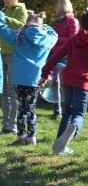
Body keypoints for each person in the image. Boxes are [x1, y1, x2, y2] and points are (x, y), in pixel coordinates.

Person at [39, 11, 88, 155]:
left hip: (68, 79)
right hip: (83, 81)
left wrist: (44, 75)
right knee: (79, 114)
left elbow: (55, 57)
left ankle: (60, 146)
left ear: (80, 24)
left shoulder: (73, 39)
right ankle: (73, 129)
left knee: (67, 112)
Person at [0, 10, 57, 145]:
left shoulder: (19, 36)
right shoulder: (47, 38)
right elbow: (54, 34)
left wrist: (1, 16)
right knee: (31, 107)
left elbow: (2, 29)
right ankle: (31, 137)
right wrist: (46, 26)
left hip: (19, 78)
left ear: (26, 24)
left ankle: (21, 136)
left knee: (22, 107)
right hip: (36, 78)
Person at [0, 0, 28, 134]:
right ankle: (6, 125)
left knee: (11, 90)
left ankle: (12, 126)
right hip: (1, 52)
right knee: (2, 91)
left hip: (13, 53)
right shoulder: (4, 9)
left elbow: (21, 26)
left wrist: (4, 18)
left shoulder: (20, 10)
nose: (5, 0)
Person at [50, 0, 80, 119]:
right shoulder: (56, 21)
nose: (55, 8)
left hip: (65, 56)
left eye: (56, 6)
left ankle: (67, 110)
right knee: (53, 83)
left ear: (62, 6)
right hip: (53, 55)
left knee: (65, 84)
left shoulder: (72, 20)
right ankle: (57, 110)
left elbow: (73, 39)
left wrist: (56, 38)